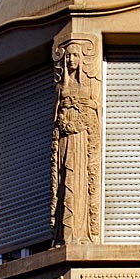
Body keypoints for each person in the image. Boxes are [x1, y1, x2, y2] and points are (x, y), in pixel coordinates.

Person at [51, 41, 101, 245]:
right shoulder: (61, 87)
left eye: (74, 55)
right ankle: (64, 233)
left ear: (81, 59)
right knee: (66, 180)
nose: (71, 59)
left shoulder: (88, 85)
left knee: (79, 180)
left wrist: (89, 106)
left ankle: (81, 230)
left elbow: (94, 111)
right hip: (65, 140)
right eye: (68, 56)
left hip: (81, 140)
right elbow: (56, 116)